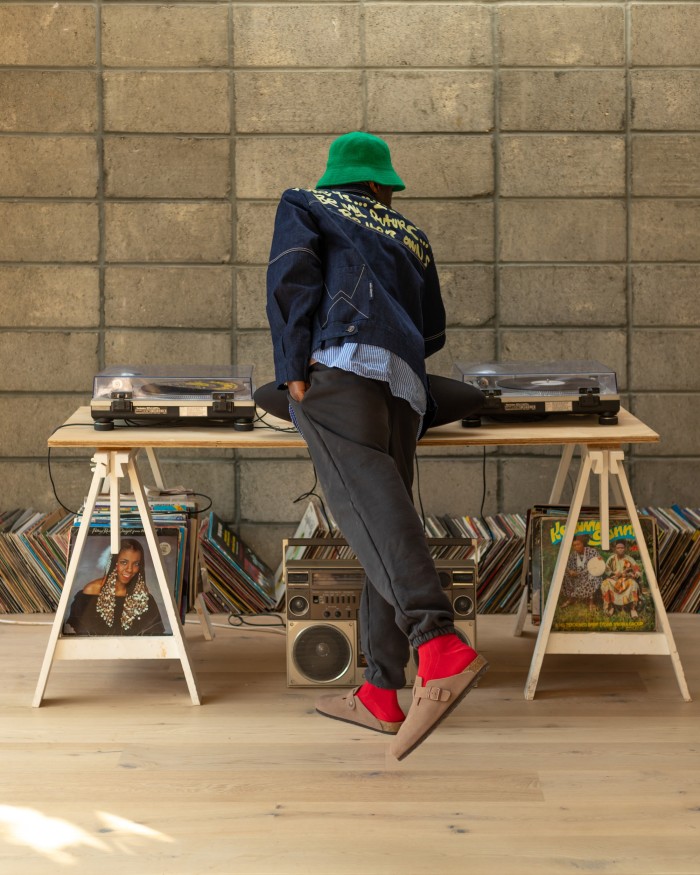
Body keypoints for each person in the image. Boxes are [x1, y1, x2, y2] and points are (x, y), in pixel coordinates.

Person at [263, 131, 488, 761]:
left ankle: (438, 646)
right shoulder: (409, 233)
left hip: (340, 370)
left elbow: (292, 282)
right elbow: (432, 328)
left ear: (335, 176)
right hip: (403, 387)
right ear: (382, 184)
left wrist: (292, 371)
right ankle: (382, 693)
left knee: (374, 519)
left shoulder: (306, 203)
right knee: (380, 524)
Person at [65, 538, 166, 636]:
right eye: (124, 562)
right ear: (114, 562)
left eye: (136, 564)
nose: (130, 569)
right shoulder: (92, 590)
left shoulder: (143, 597)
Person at [600, 539, 642, 619]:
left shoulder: (629, 559)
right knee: (605, 584)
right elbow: (606, 570)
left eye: (622, 548)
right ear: (615, 549)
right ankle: (610, 607)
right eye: (618, 548)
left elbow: (638, 570)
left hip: (626, 580)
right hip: (614, 580)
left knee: (633, 584)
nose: (620, 549)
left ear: (625, 548)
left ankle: (632, 609)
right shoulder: (611, 558)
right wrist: (614, 574)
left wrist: (633, 575)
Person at [561, 535, 602, 611]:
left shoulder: (592, 551)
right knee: (565, 575)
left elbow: (599, 564)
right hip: (578, 577)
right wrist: (570, 571)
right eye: (574, 545)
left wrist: (598, 562)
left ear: (583, 544)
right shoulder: (573, 555)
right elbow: (567, 566)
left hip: (590, 575)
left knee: (592, 577)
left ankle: (591, 602)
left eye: (578, 544)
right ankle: (571, 598)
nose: (576, 547)